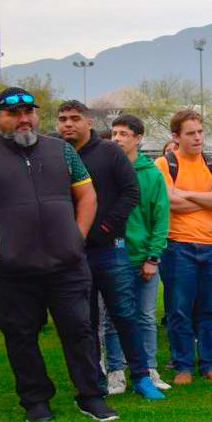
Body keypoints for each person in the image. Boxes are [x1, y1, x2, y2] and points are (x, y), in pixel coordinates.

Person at [0, 87, 115, 422]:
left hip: (67, 264)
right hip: (12, 267)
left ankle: (91, 396)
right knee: (21, 334)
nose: (23, 119)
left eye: (29, 112)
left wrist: (77, 236)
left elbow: (88, 196)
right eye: (13, 114)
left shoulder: (61, 151)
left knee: (79, 330)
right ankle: (35, 401)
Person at [55, 101, 161, 400]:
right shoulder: (53, 154)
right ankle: (94, 380)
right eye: (63, 119)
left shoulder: (109, 152)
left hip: (109, 249)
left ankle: (141, 376)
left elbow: (131, 192)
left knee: (125, 314)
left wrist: (106, 229)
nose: (68, 124)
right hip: (71, 253)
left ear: (88, 121)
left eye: (75, 118)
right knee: (83, 320)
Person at [156, 110, 212, 384]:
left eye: (200, 132)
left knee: (211, 308)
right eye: (191, 133)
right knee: (179, 309)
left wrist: (187, 195)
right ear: (176, 136)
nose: (198, 137)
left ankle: (210, 362)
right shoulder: (164, 165)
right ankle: (183, 366)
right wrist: (208, 199)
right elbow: (168, 202)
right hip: (178, 246)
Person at [107, 114, 172, 394]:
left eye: (124, 134)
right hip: (112, 258)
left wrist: (152, 257)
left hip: (143, 257)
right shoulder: (105, 171)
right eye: (114, 133)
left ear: (138, 138)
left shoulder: (151, 174)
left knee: (145, 316)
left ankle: (148, 368)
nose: (117, 139)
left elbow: (160, 218)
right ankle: (115, 371)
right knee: (113, 318)